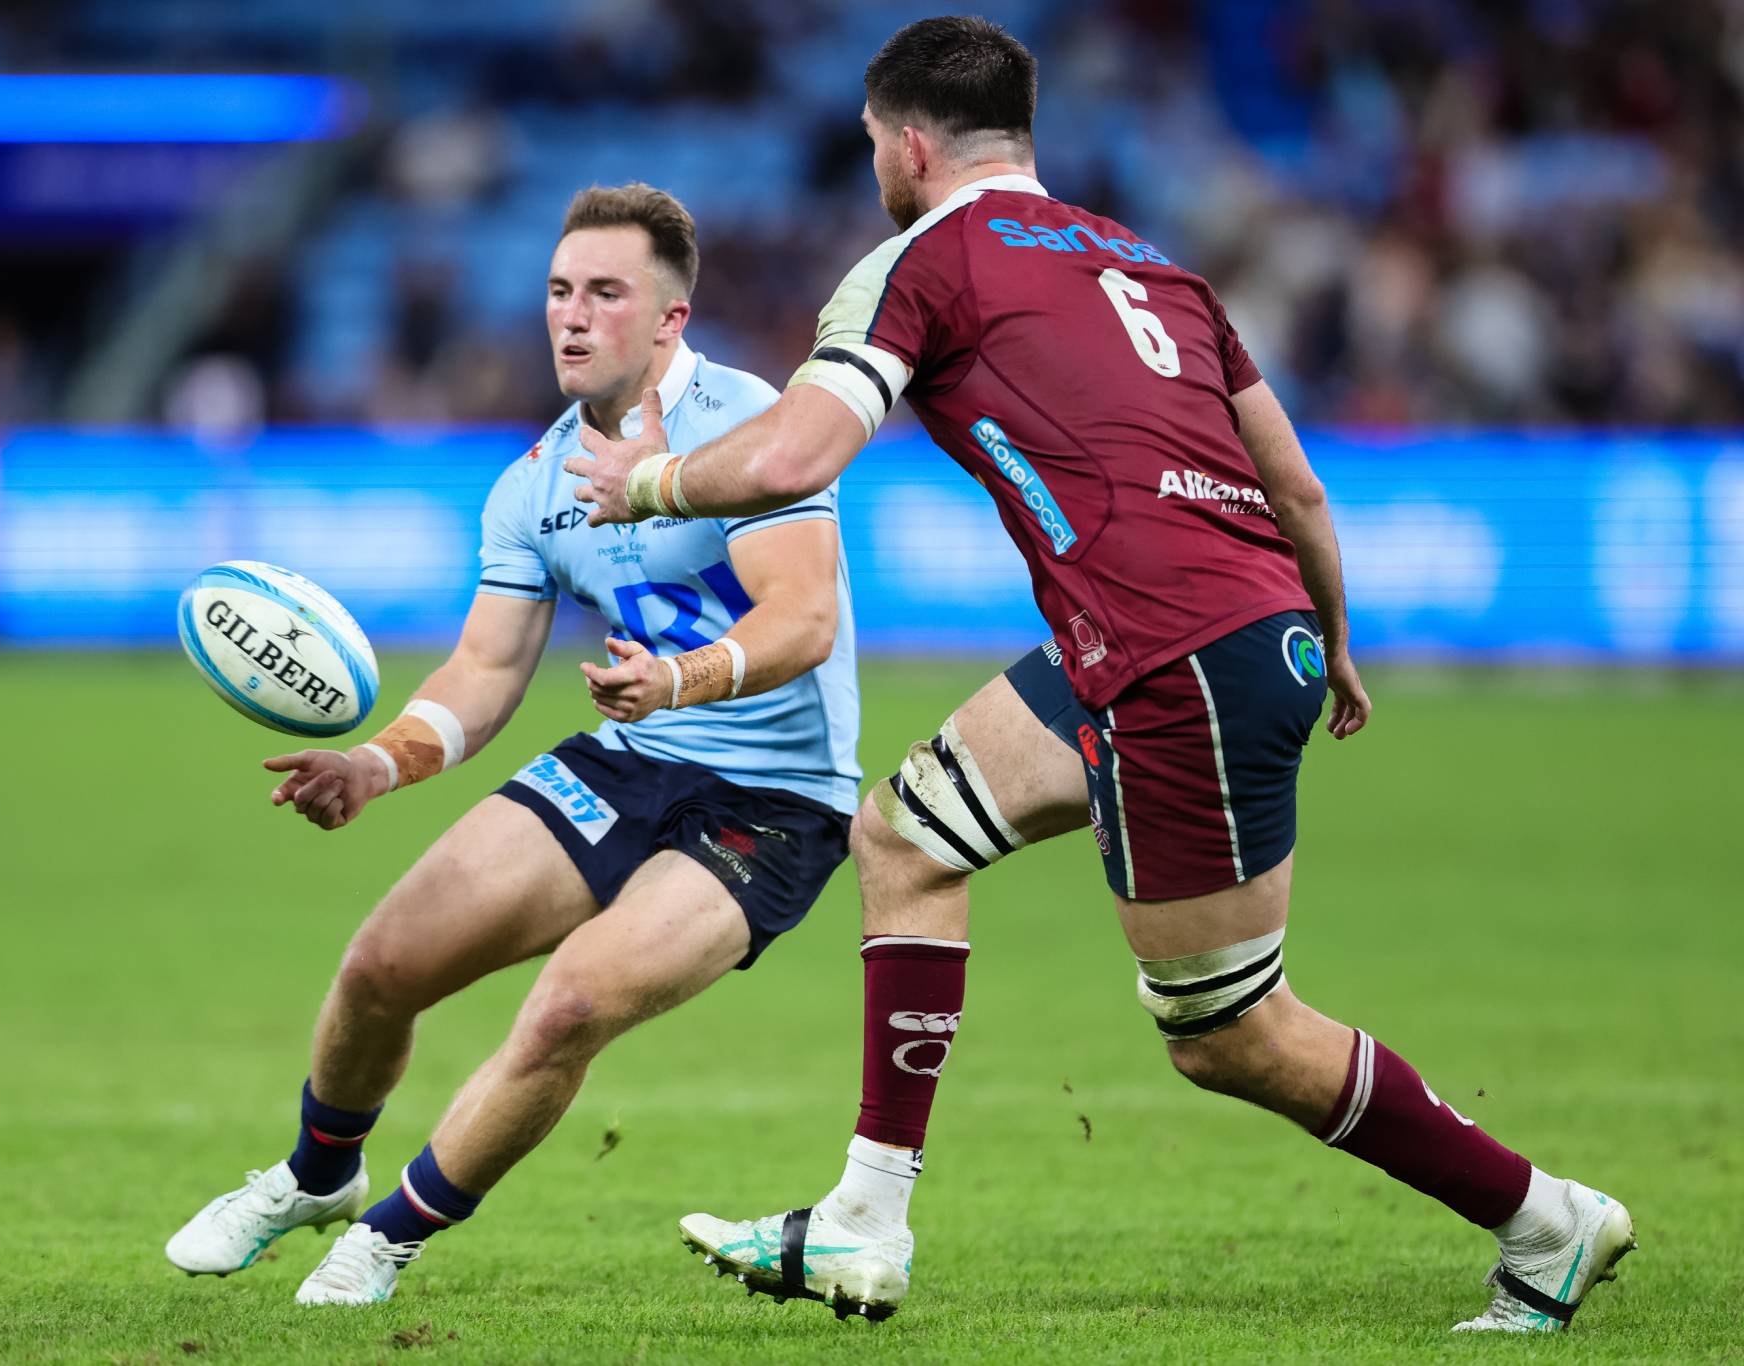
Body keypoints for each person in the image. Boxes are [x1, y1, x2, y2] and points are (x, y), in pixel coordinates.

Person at [567, 18, 1633, 1335]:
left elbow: (797, 457)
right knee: (904, 833)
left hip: (1176, 659)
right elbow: (1292, 480)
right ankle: (863, 1218)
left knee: (1225, 1030)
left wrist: (648, 481)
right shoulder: (1153, 265)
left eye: (869, 148)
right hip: (1179, 640)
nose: (873, 171)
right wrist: (1334, 640)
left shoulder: (920, 258)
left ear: (906, 142)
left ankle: (1550, 1220)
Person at [164, 183, 861, 1306]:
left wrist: (676, 677)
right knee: (382, 965)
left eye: (603, 293)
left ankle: (385, 1236)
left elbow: (802, 618)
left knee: (573, 1005)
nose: (570, 316)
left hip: (772, 797)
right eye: (555, 291)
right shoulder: (530, 483)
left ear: (670, 319)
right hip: (629, 756)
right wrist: (374, 762)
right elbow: (485, 673)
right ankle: (314, 1176)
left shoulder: (755, 426)